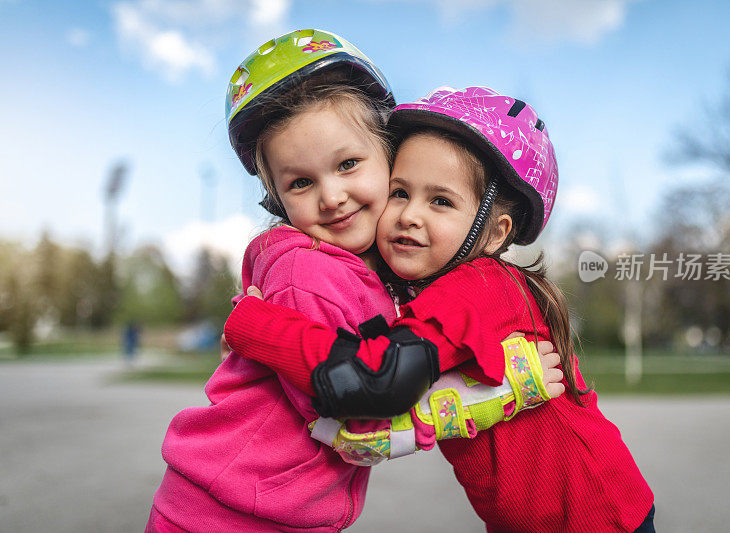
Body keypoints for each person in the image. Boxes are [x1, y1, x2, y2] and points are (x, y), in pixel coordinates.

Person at [146, 32, 562, 533]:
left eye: (348, 165)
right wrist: (504, 392)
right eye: (300, 182)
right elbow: (355, 425)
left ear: (388, 157)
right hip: (224, 515)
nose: (332, 196)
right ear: (277, 199)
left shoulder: (362, 272)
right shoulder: (309, 274)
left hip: (260, 507)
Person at [224, 86, 656, 532]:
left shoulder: (478, 288)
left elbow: (375, 383)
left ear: (493, 234)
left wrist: (254, 325)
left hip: (598, 520)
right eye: (399, 192)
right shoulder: (434, 294)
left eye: (441, 201)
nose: (410, 215)